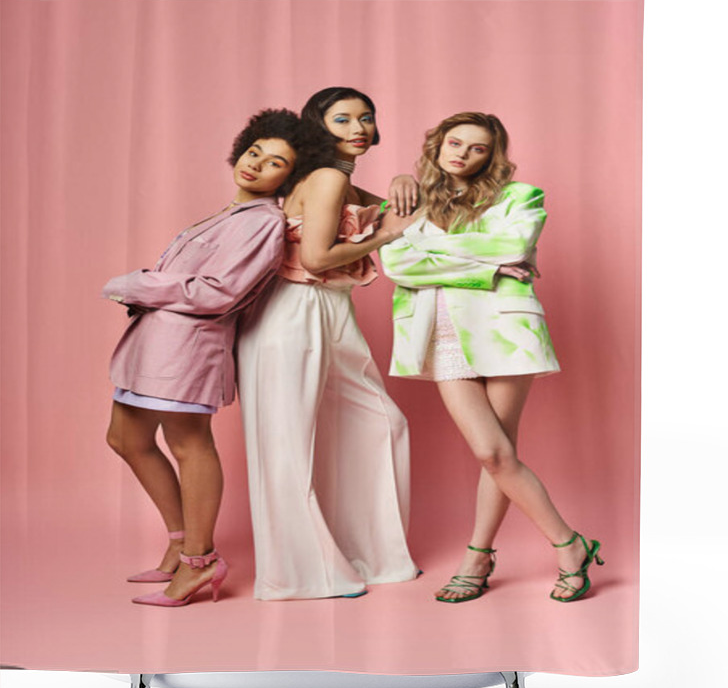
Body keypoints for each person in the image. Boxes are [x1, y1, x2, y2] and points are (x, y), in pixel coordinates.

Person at [103, 108, 334, 607]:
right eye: (254, 152)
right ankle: (179, 542)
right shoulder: (230, 213)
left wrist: (138, 282)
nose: (255, 165)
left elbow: (218, 292)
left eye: (274, 163)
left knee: (189, 446)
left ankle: (199, 563)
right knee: (125, 438)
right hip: (153, 344)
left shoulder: (263, 223)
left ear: (288, 178)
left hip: (187, 349)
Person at [379, 112, 604, 603]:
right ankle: (572, 545)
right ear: (437, 144)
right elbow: (396, 262)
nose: (461, 153)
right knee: (494, 453)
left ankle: (483, 558)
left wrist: (441, 257)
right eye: (454, 142)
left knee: (495, 455)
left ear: (492, 156)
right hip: (439, 335)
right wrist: (486, 265)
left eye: (477, 148)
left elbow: (513, 244)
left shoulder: (521, 196)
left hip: (506, 331)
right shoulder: (411, 199)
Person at [237, 87, 418, 600]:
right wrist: (381, 239)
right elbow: (316, 258)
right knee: (287, 442)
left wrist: (406, 180)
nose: (358, 127)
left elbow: (409, 209)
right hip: (293, 310)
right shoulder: (326, 177)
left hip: (330, 310)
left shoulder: (343, 183)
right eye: (343, 119)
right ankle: (301, 574)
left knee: (382, 422)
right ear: (319, 125)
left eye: (366, 117)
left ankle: (370, 555)